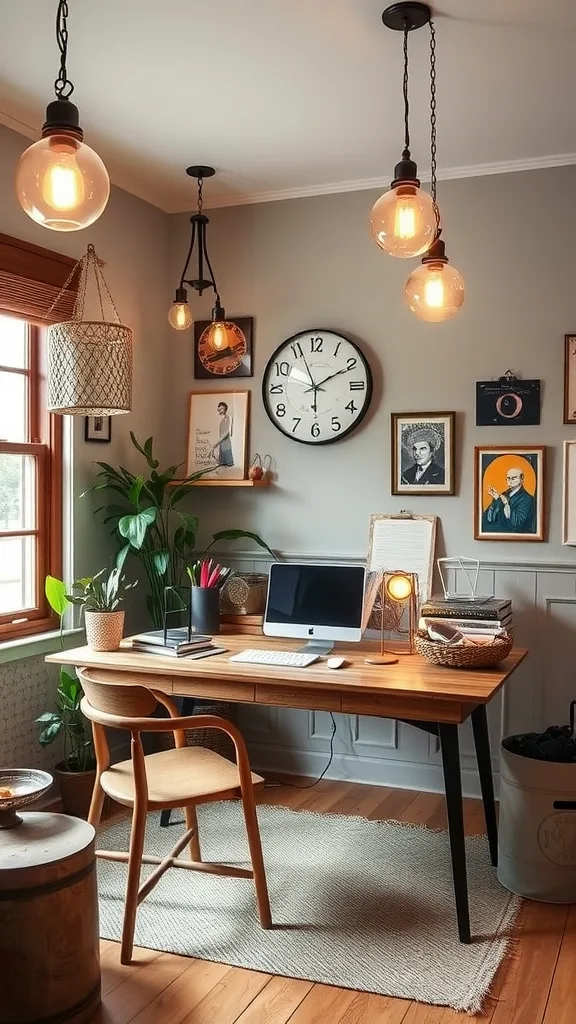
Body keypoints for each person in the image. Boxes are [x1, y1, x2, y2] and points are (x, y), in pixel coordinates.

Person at [482, 466, 536, 533]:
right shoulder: (506, 493)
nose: (510, 481)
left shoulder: (527, 499)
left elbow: (516, 523)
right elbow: (494, 515)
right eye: (508, 478)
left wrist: (505, 503)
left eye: (513, 478)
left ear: (522, 479)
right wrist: (497, 498)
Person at [212, 401, 234, 467]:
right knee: (222, 464)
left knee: (228, 463)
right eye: (219, 408)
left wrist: (217, 443)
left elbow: (227, 432)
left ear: (225, 409)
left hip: (225, 442)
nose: (219, 409)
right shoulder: (222, 420)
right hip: (222, 444)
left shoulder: (227, 418)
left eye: (221, 408)